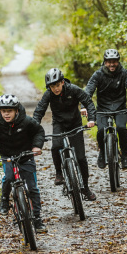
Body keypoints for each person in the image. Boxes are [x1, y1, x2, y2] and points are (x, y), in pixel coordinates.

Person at [0, 94, 48, 233]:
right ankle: (5, 199)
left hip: (25, 156)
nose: (6, 114)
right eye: (3, 110)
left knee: (32, 188)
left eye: (9, 111)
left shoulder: (27, 121)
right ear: (0, 111)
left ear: (16, 110)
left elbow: (39, 131)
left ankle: (37, 218)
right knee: (9, 177)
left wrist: (36, 146)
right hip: (8, 156)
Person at [32, 68, 98, 200]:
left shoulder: (73, 89)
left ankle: (85, 187)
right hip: (59, 124)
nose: (55, 89)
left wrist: (91, 119)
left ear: (62, 82)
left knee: (81, 158)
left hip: (75, 124)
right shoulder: (48, 95)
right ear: (49, 87)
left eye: (57, 85)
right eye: (52, 86)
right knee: (55, 146)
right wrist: (33, 127)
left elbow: (88, 102)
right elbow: (39, 110)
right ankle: (59, 173)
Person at [83, 49, 127, 170]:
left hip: (120, 107)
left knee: (121, 128)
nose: (112, 64)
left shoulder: (124, 73)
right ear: (105, 62)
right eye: (109, 62)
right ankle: (102, 153)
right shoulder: (98, 75)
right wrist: (84, 106)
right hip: (103, 108)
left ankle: (124, 156)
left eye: (114, 62)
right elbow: (89, 90)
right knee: (101, 130)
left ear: (118, 62)